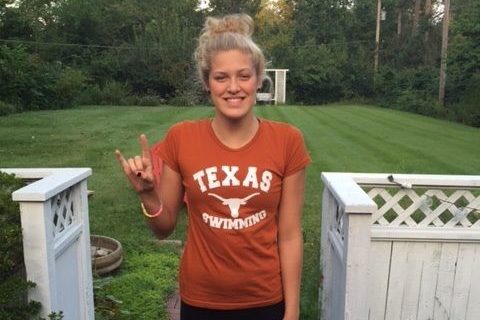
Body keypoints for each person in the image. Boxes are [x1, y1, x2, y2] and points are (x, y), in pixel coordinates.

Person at [115, 13, 311, 320]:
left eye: (243, 76)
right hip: (201, 301)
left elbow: (289, 235)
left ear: (259, 79)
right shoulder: (182, 137)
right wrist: (148, 195)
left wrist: (293, 310)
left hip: (265, 300)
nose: (233, 87)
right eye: (221, 77)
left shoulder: (288, 141)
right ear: (208, 83)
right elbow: (164, 229)